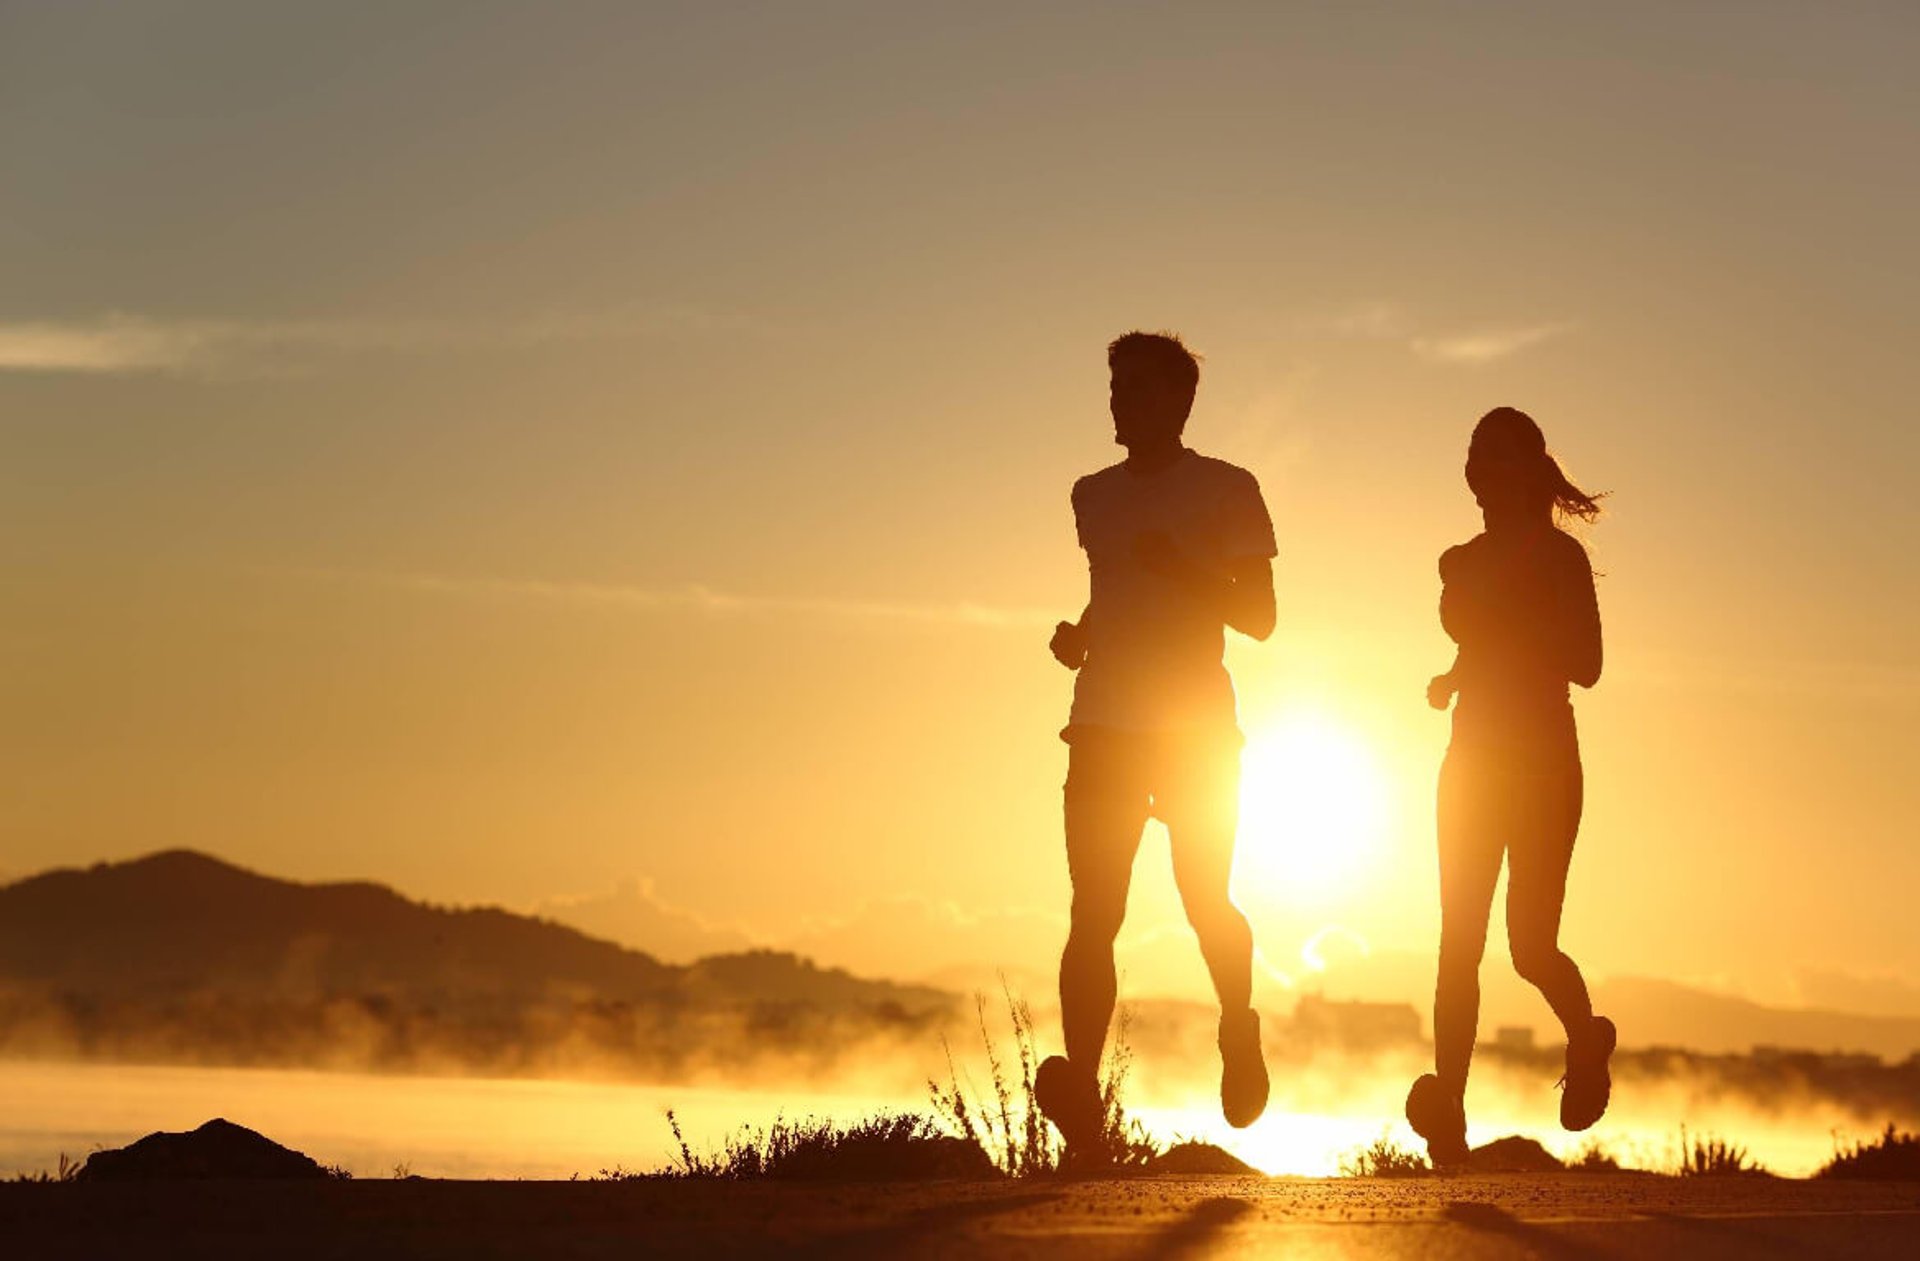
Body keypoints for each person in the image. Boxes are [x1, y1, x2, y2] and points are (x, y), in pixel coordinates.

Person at [1035, 330, 1277, 1156]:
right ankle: (1086, 1126)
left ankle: (1238, 1029)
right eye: (1112, 386)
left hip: (1195, 732)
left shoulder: (1229, 488)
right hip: (1102, 722)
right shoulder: (1091, 494)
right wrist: (1083, 634)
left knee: (1205, 900)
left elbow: (1261, 617)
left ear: (1175, 401)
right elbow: (1116, 595)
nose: (1115, 400)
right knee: (1092, 911)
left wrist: (1185, 569)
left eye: (1132, 388)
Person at [1406, 406, 1615, 1168]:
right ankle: (1449, 1127)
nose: (1477, 470)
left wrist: (1503, 618)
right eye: (1471, 456)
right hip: (1469, 763)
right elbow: (1484, 646)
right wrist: (1452, 676)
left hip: (1544, 767)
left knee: (1528, 945)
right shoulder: (1460, 559)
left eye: (1491, 457)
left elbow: (1586, 664)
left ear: (1526, 470)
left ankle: (1587, 1041)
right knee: (1456, 942)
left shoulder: (1559, 560)